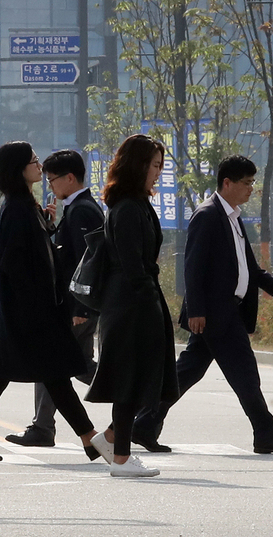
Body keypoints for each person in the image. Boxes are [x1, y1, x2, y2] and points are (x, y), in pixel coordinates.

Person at [133, 155, 273, 455]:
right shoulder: (208, 215)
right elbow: (193, 266)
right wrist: (196, 310)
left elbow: (248, 267)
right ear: (227, 183)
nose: (251, 189)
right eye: (246, 183)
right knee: (244, 373)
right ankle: (266, 434)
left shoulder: (233, 218)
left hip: (227, 311)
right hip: (215, 313)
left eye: (252, 182)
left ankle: (143, 425)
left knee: (187, 372)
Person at [0, 143, 104, 463]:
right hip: (25, 313)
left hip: (24, 312)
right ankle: (89, 438)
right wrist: (36, 306)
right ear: (18, 169)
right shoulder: (17, 209)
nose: (39, 166)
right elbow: (16, 262)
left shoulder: (23, 206)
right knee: (36, 373)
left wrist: (46, 227)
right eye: (33, 161)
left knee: (37, 374)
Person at [84, 134, 179, 479]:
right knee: (130, 381)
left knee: (144, 379)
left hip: (139, 299)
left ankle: (112, 440)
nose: (158, 172)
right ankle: (121, 458)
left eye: (160, 166)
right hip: (130, 304)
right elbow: (131, 263)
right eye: (154, 165)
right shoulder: (125, 208)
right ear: (138, 166)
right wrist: (147, 299)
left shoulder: (136, 204)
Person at [6, 149, 104, 448]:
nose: (50, 185)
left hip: (77, 307)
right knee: (78, 364)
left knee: (50, 362)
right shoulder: (76, 209)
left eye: (53, 180)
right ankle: (134, 395)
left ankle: (43, 427)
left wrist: (80, 306)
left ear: (70, 178)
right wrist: (50, 227)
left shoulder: (83, 210)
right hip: (76, 305)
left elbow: (88, 262)